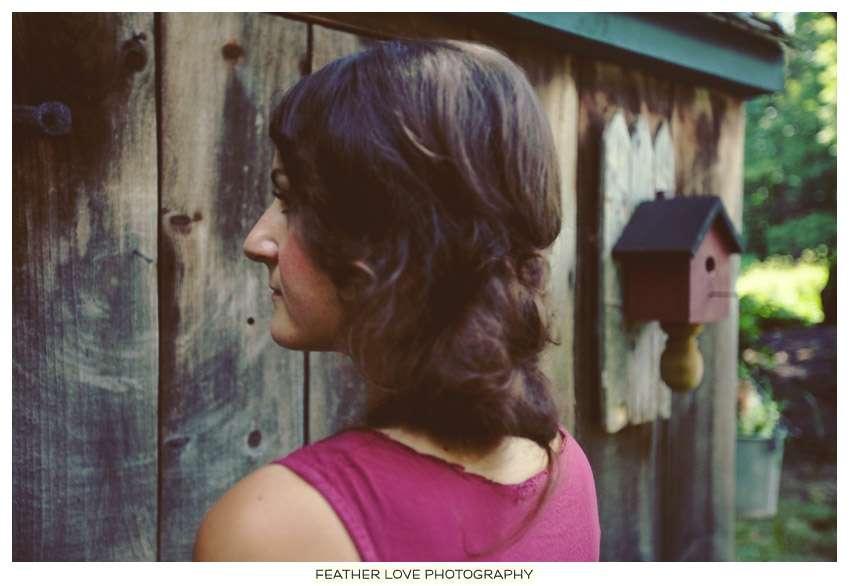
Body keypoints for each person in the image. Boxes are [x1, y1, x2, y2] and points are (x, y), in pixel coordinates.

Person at [193, 38, 600, 562]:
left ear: (392, 238)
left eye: (292, 203)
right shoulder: (565, 469)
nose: (257, 241)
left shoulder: (271, 529)